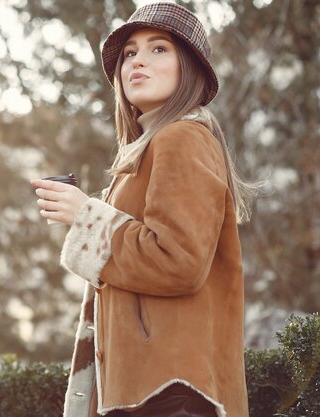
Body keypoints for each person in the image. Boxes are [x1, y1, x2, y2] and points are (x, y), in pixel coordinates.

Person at [30, 2, 254, 417]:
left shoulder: (180, 138)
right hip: (156, 388)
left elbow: (179, 262)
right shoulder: (149, 149)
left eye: (158, 49)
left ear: (190, 68)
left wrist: (88, 217)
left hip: (170, 391)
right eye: (130, 53)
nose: (138, 62)